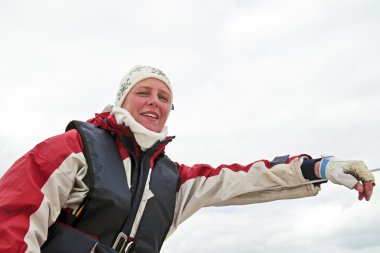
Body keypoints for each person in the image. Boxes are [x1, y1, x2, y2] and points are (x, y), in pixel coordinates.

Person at [0, 65, 375, 253]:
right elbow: (14, 214)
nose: (154, 102)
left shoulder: (174, 180)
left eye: (163, 97)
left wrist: (322, 167)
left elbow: (244, 178)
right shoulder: (74, 148)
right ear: (121, 101)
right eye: (143, 92)